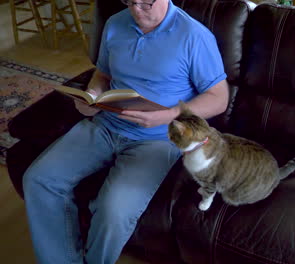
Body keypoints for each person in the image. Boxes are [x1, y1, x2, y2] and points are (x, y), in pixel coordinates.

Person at [21, 0, 229, 262]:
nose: (137, 10)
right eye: (130, 2)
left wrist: (168, 115)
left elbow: (219, 98)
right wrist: (92, 97)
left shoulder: (194, 36)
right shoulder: (115, 24)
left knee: (114, 210)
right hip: (105, 125)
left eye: (146, 3)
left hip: (157, 140)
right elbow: (103, 74)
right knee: (39, 179)